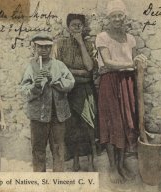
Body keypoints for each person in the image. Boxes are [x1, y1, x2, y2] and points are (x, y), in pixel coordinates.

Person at [95, 0, 147, 184]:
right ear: (108, 19)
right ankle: (112, 168)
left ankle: (122, 164)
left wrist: (138, 62)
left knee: (126, 123)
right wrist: (131, 64)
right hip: (109, 84)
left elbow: (134, 61)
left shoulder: (131, 38)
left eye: (120, 15)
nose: (117, 19)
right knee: (111, 124)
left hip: (127, 82)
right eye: (113, 16)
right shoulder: (102, 37)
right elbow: (108, 63)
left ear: (124, 17)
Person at [20, 33, 75, 172]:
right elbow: (24, 90)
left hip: (58, 114)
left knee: (58, 148)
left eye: (47, 47)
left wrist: (53, 80)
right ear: (35, 47)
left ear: (51, 48)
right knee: (38, 148)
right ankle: (40, 180)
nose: (44, 50)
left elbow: (70, 83)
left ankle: (57, 180)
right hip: (38, 116)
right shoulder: (30, 66)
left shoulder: (59, 65)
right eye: (40, 47)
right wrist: (36, 86)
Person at [55, 13, 97, 172]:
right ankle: (76, 159)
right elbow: (60, 69)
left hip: (85, 90)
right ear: (68, 27)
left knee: (89, 126)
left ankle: (92, 159)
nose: (77, 28)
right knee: (72, 127)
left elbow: (90, 68)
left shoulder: (88, 44)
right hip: (68, 91)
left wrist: (80, 43)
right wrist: (79, 72)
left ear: (84, 27)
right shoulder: (62, 44)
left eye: (80, 25)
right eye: (73, 25)